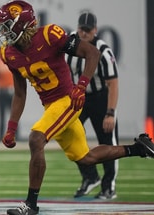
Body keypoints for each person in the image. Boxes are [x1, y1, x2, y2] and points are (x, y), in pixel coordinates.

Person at [0, 1, 154, 214]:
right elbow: (20, 93)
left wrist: (81, 86)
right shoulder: (9, 54)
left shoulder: (50, 35)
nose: (3, 32)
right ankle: (139, 148)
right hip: (51, 106)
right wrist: (11, 127)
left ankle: (31, 204)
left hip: (69, 100)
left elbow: (92, 53)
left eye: (6, 26)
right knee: (86, 157)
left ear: (21, 24)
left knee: (36, 138)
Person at [66, 12, 120, 200]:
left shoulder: (103, 51)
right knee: (67, 133)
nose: (84, 33)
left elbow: (113, 83)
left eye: (88, 30)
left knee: (107, 141)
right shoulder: (70, 43)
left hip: (99, 98)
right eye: (81, 29)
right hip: (78, 97)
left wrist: (110, 112)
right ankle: (90, 176)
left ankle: (108, 187)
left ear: (95, 30)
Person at [0, 57, 16, 140]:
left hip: (12, 90)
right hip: (2, 91)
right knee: (2, 115)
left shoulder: (13, 60)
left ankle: (15, 135)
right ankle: (0, 136)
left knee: (14, 114)